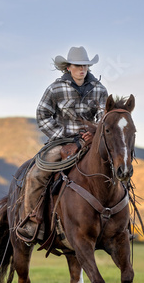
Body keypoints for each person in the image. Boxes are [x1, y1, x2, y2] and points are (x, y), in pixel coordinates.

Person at [17, 46, 109, 241]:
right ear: (68, 67)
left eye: (85, 65)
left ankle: (120, 223)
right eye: (77, 65)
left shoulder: (99, 90)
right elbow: (42, 115)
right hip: (62, 142)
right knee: (36, 174)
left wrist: (94, 134)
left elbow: (104, 118)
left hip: (91, 141)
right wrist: (64, 135)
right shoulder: (55, 88)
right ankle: (32, 223)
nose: (82, 69)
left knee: (116, 167)